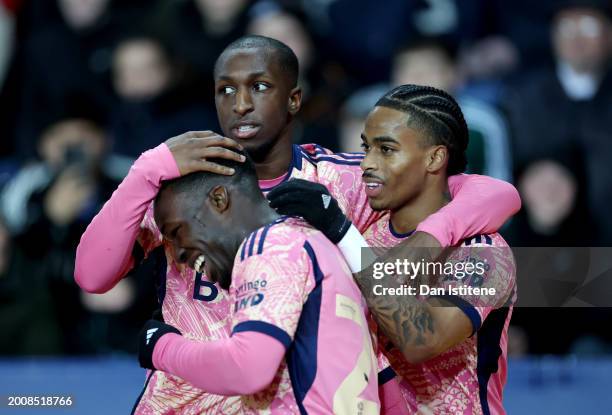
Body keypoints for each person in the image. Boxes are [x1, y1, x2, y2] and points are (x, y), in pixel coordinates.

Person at [75, 36, 520, 413]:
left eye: (259, 86)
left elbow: (485, 191)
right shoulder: (181, 185)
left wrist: (425, 237)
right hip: (183, 398)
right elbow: (92, 276)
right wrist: (144, 172)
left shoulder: (346, 183)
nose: (241, 104)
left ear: (294, 98)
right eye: (225, 91)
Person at [271, 84, 516, 414]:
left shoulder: (484, 252)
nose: (367, 163)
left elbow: (421, 339)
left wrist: (342, 232)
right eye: (366, 147)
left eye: (386, 150)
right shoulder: (367, 234)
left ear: (434, 158)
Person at [136, 154, 380, 414]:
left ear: (219, 199)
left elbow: (248, 369)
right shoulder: (314, 241)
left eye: (177, 231)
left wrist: (162, 346)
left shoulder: (268, 247)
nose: (180, 253)